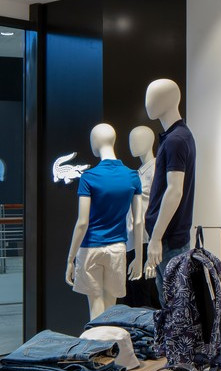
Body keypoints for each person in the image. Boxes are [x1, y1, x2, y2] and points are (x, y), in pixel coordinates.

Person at [65, 123, 144, 319]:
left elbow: (82, 223)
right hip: (117, 249)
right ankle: (108, 339)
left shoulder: (89, 177)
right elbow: (138, 221)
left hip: (90, 249)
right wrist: (139, 257)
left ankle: (96, 340)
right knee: (110, 310)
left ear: (95, 141)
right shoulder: (132, 176)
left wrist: (70, 259)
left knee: (95, 308)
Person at [142, 79, 197, 303]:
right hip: (169, 239)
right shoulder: (176, 137)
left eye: (153, 97)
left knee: (175, 306)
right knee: (172, 305)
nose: (147, 103)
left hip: (169, 240)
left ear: (170, 100)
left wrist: (156, 238)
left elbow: (175, 191)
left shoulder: (176, 140)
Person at [120, 126, 160, 308]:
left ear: (150, 141)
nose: (132, 144)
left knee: (146, 300)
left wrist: (151, 256)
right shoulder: (139, 172)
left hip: (146, 242)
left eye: (137, 140)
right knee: (133, 300)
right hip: (132, 242)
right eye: (130, 140)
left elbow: (160, 208)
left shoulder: (156, 170)